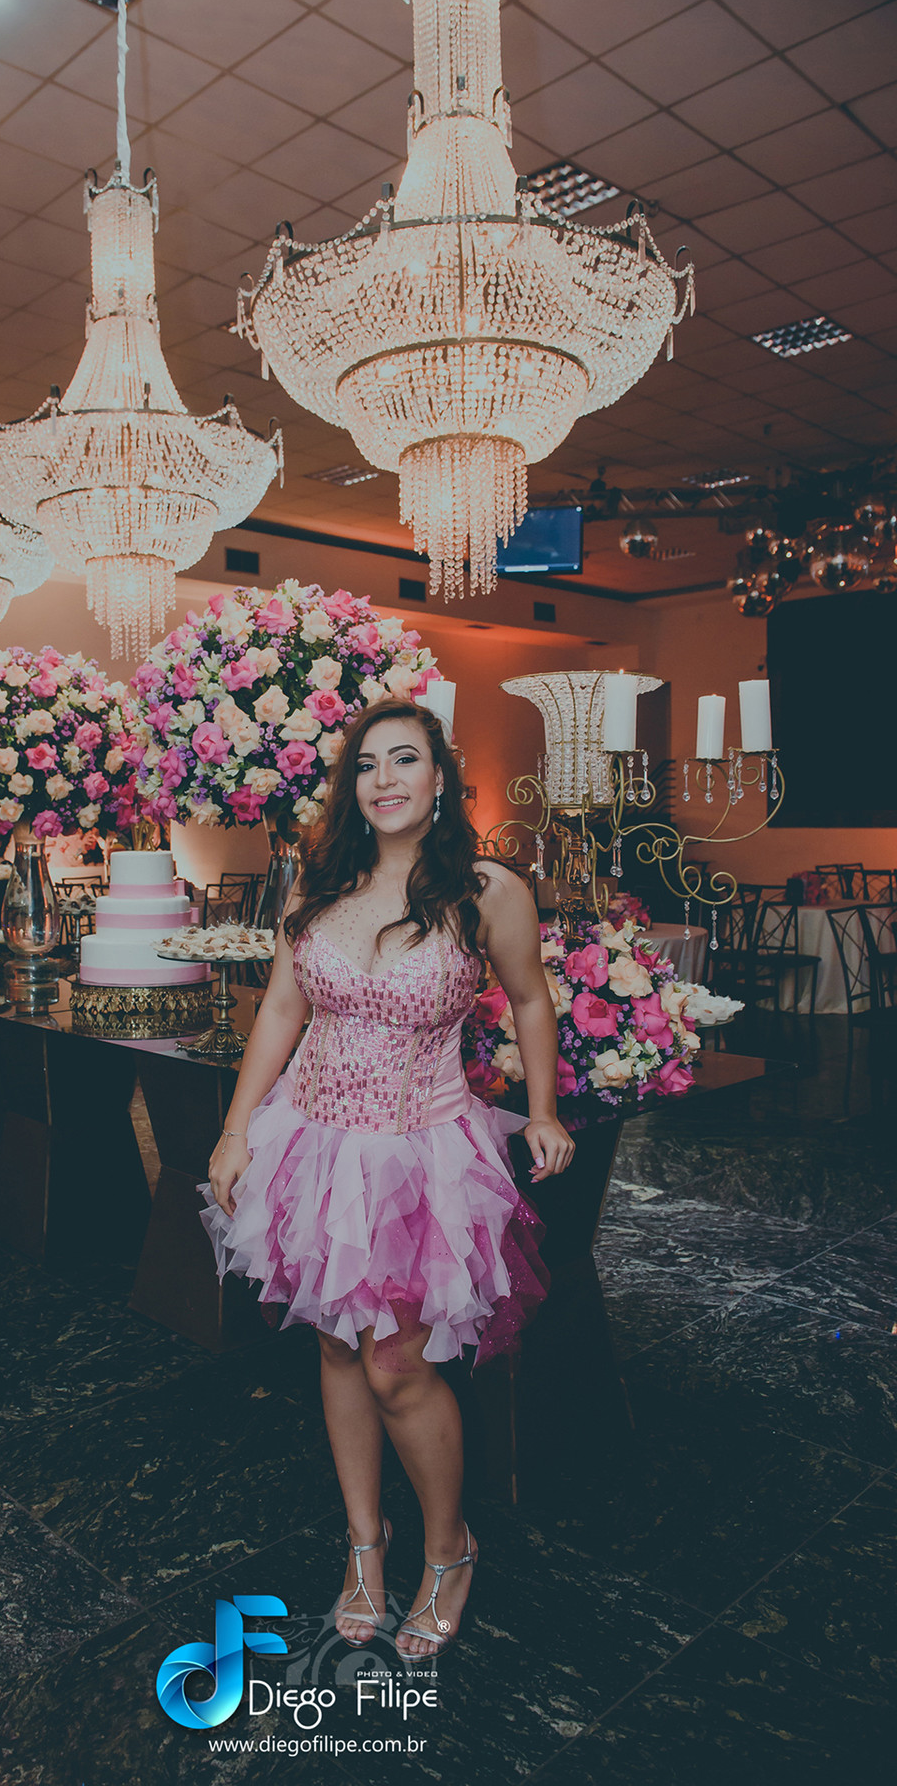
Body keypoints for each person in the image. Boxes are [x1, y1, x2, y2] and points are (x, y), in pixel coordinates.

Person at [200, 697, 573, 1660]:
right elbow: (281, 1012)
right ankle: (367, 1545)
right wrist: (237, 1131)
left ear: (441, 778)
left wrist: (541, 1110)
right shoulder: (321, 887)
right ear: (351, 788)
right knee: (334, 1348)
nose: (386, 780)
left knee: (397, 1362)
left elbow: (532, 999)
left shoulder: (486, 889)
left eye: (405, 760)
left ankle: (449, 1549)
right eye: (367, 765)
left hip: (421, 1154)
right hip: (314, 1145)